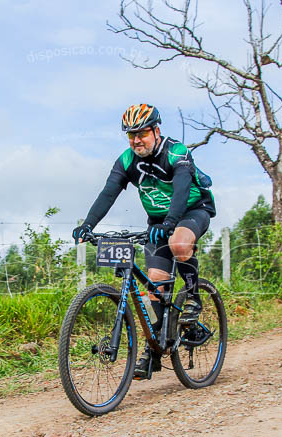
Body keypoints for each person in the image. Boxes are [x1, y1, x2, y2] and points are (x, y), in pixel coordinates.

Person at [72, 103, 216, 379]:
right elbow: (108, 193)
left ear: (156, 130)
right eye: (131, 135)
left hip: (191, 212)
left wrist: (171, 223)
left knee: (179, 244)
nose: (137, 140)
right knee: (155, 283)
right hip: (158, 224)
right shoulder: (126, 160)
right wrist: (88, 224)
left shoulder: (176, 152)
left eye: (142, 133)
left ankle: (193, 299)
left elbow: (183, 189)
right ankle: (155, 349)